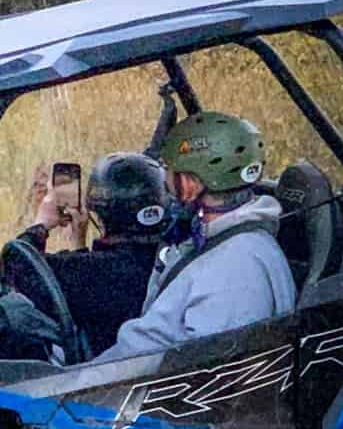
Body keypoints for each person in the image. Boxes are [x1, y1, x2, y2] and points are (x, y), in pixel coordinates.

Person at [93, 110, 296, 363]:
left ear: (189, 185)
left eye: (168, 171)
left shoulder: (235, 269)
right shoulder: (217, 241)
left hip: (132, 381)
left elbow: (216, 375)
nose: (164, 183)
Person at [8, 152, 169, 354]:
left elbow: (17, 268)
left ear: (100, 214)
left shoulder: (93, 272)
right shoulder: (171, 257)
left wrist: (41, 224)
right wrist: (79, 245)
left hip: (101, 368)